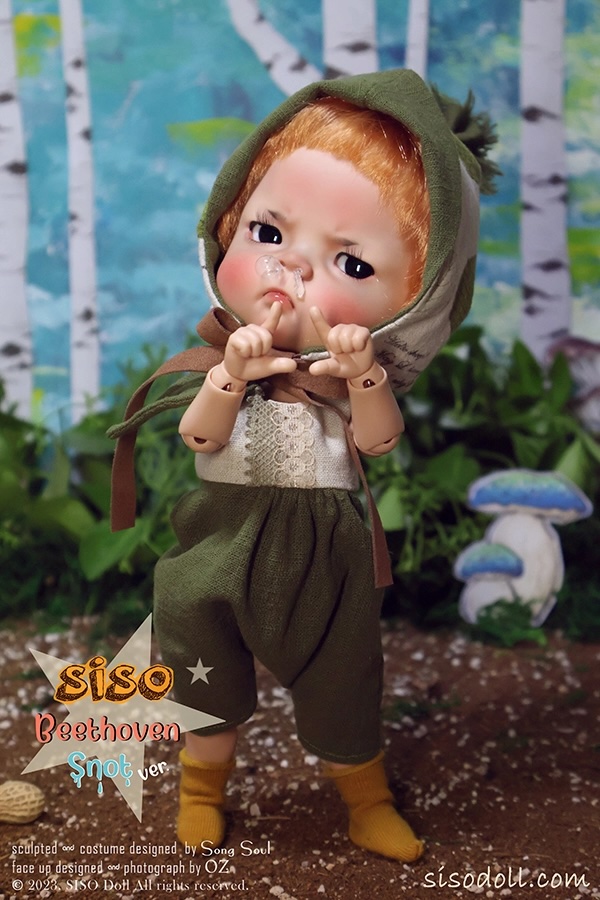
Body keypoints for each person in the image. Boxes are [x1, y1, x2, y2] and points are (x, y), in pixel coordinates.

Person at [109, 68, 497, 863]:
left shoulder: (344, 374)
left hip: (325, 550)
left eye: (352, 265)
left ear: (415, 305)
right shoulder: (229, 359)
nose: (291, 270)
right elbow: (199, 440)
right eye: (268, 232)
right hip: (219, 538)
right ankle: (201, 791)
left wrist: (362, 376)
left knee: (343, 677)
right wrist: (229, 377)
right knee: (204, 673)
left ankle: (367, 801)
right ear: (227, 220)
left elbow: (377, 442)